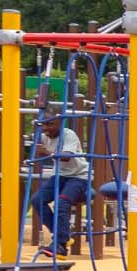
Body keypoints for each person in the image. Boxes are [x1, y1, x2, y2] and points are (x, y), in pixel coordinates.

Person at [28, 109, 92, 256]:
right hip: (60, 175)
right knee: (37, 200)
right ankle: (61, 236)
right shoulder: (43, 137)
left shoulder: (68, 135)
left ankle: (60, 246)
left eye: (50, 125)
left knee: (61, 204)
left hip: (79, 176)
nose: (46, 129)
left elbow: (66, 157)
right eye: (44, 125)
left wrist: (47, 153)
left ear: (60, 124)